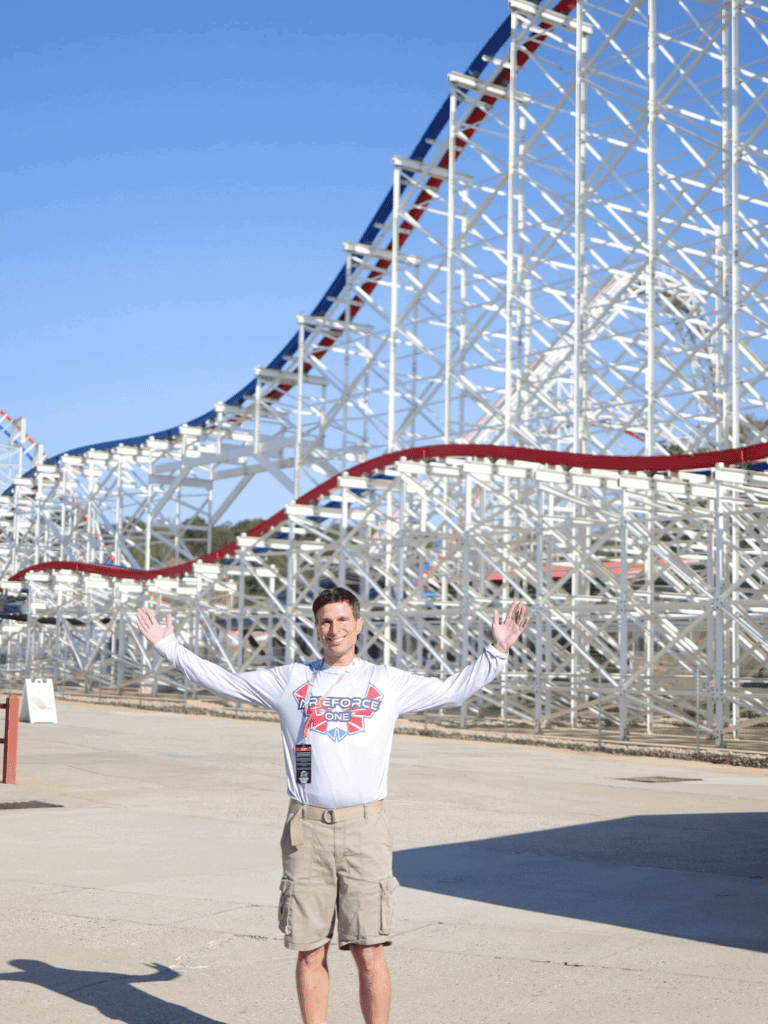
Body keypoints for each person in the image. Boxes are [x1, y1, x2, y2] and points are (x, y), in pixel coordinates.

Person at [136, 587, 529, 1024]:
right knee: (309, 949)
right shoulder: (292, 680)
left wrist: (498, 650)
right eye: (325, 620)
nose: (334, 629)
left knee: (369, 950)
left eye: (343, 620)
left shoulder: (386, 682)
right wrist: (167, 646)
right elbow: (224, 681)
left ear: (358, 625)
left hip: (366, 830)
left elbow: (453, 690)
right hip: (307, 831)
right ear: (316, 627)